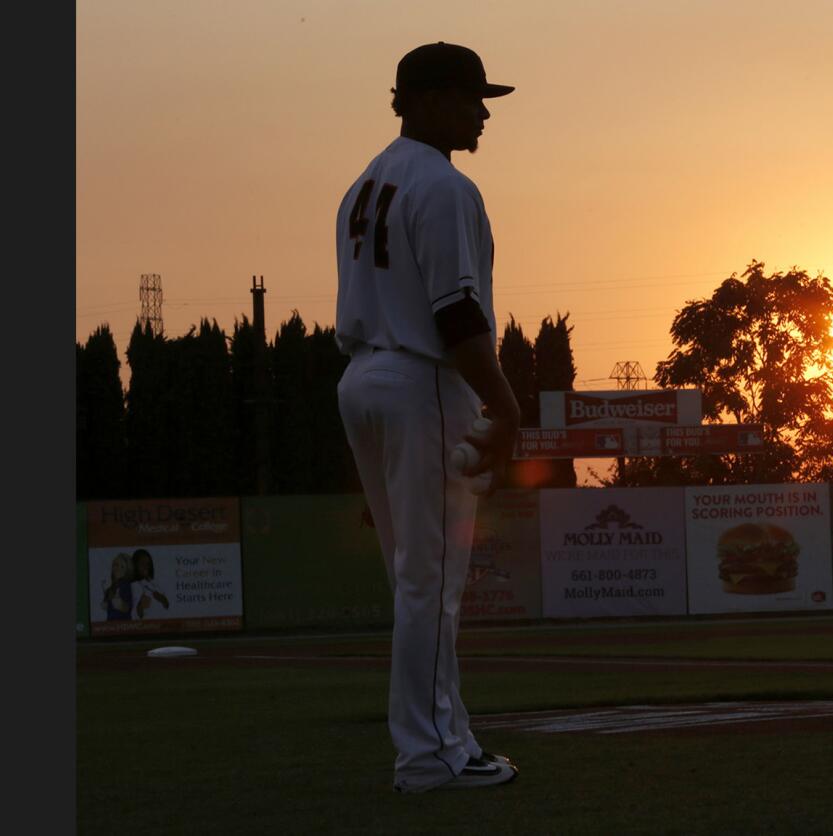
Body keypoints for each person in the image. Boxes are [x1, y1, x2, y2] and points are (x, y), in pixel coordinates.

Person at [334, 41, 523, 794]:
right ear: (431, 100)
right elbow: (455, 309)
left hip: (364, 377)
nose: (482, 113)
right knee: (431, 582)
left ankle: (438, 741)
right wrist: (504, 402)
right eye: (474, 98)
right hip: (420, 379)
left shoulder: (363, 183)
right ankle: (433, 752)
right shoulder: (444, 185)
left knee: (417, 580)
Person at [130, 548, 171, 619]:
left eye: (148, 564)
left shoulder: (154, 583)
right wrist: (141, 605)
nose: (146, 567)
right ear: (135, 565)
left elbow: (167, 605)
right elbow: (134, 614)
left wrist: (162, 599)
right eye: (142, 564)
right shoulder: (133, 586)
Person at [101, 553, 134, 621]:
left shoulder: (126, 586)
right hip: (110, 623)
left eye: (122, 567)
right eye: (116, 565)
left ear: (126, 570)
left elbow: (127, 607)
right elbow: (105, 606)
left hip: (123, 624)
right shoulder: (111, 588)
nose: (118, 568)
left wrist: (119, 603)